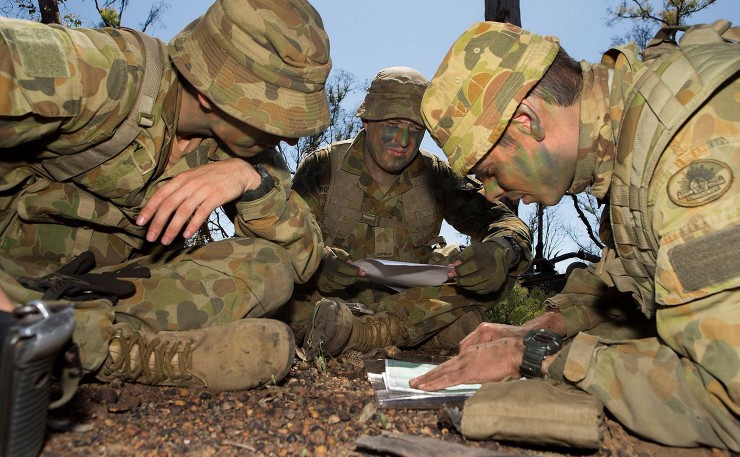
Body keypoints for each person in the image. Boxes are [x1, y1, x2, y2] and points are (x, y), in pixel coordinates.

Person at [409, 21, 739, 450]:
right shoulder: (629, 145)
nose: (490, 192)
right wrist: (545, 326)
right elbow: (631, 280)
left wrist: (535, 360)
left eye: (487, 172)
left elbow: (726, 393)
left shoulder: (693, 147)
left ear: (526, 121)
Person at [0, 0, 332, 392]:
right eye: (278, 115)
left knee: (269, 268)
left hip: (88, 287)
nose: (292, 136)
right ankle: (111, 350)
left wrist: (249, 181)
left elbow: (304, 259)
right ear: (211, 92)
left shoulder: (246, 152)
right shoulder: (105, 71)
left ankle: (62, 336)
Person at [274, 66, 531, 359]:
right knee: (285, 294)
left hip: (414, 302)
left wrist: (502, 249)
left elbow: (504, 221)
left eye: (415, 129)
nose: (404, 140)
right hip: (335, 302)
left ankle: (364, 335)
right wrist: (317, 263)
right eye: (393, 123)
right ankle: (439, 332)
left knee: (484, 270)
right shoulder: (323, 168)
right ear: (367, 119)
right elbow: (282, 236)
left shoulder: (437, 175)